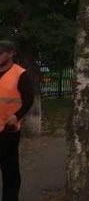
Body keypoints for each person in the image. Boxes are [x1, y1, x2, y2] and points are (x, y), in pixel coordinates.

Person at [0, 40, 33, 201]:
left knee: (9, 171)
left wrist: (17, 116)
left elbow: (28, 100)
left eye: (1, 52)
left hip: (8, 130)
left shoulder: (20, 74)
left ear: (11, 53)